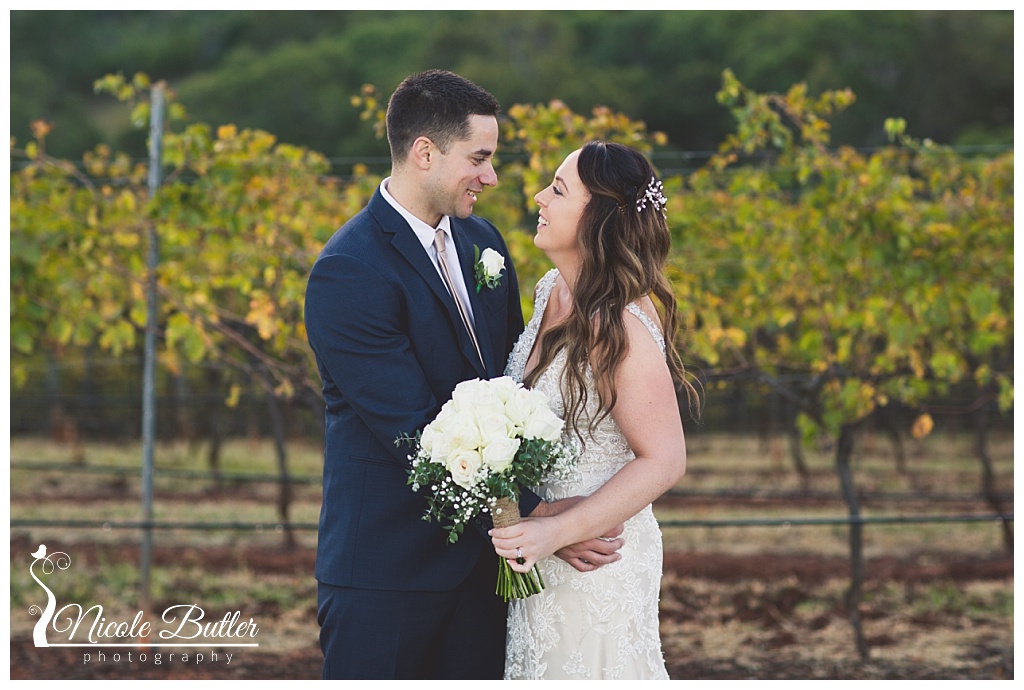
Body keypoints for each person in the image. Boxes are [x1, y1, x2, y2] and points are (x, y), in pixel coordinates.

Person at [304, 70, 623, 680]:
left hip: (487, 570)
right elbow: (416, 431)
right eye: (478, 158)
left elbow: (513, 385)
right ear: (425, 153)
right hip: (388, 575)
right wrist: (543, 519)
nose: (492, 177)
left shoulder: (484, 242)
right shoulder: (350, 269)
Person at [490, 141, 701, 680]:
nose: (539, 197)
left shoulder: (619, 322)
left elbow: (665, 459)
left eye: (558, 190)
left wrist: (557, 532)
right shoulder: (550, 291)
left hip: (598, 557)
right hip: (542, 556)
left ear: (598, 218)